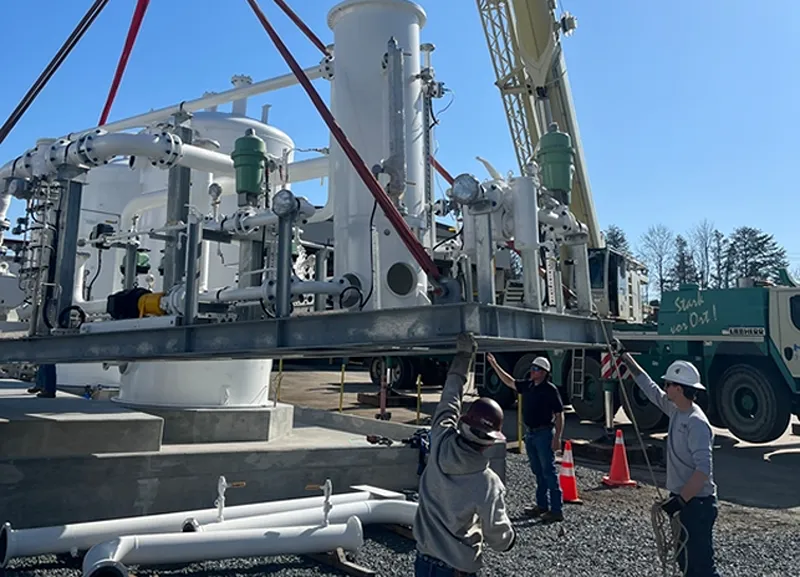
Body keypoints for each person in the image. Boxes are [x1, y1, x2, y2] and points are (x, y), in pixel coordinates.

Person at [413, 333, 516, 576]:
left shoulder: (440, 440)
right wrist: (509, 539)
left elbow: (450, 396)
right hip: (457, 568)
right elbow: (498, 536)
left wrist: (463, 355)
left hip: (424, 560)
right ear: (490, 442)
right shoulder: (487, 482)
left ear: (464, 424)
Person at [616, 342, 721, 577]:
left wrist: (681, 501)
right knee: (686, 563)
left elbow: (703, 470)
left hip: (698, 504)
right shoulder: (676, 410)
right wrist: (625, 358)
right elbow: (649, 388)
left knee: (702, 567)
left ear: (679, 389)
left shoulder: (696, 423)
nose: (665, 388)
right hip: (686, 501)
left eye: (668, 384)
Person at [486, 353, 564, 523]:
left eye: (535, 369)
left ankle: (556, 510)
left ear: (543, 372)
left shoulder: (550, 390)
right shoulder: (528, 385)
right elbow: (510, 381)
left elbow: (559, 414)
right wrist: (495, 366)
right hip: (531, 433)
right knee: (538, 471)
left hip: (544, 433)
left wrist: (557, 438)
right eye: (532, 368)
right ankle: (542, 506)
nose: (532, 371)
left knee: (548, 472)